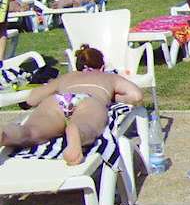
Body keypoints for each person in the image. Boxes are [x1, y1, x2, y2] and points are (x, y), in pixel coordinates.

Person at [1, 45, 143, 165]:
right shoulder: (109, 77)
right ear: (102, 66)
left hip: (59, 100)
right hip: (89, 100)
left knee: (31, 131)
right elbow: (136, 96)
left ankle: (8, 134)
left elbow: (32, 99)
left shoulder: (67, 77)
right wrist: (112, 96)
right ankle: (77, 133)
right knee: (87, 126)